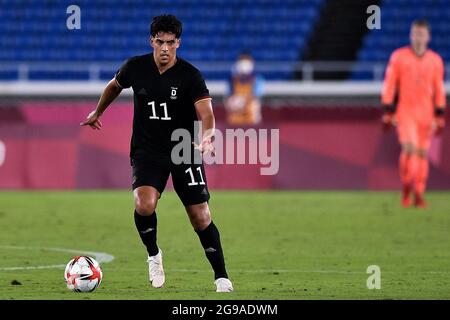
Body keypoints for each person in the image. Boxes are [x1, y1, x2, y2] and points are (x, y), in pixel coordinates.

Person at [80, 14, 233, 292]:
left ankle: (221, 276)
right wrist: (98, 111)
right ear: (151, 41)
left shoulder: (190, 75)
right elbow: (114, 85)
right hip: (147, 150)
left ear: (178, 43)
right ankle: (153, 255)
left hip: (182, 149)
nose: (165, 48)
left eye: (170, 42)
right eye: (160, 42)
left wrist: (209, 134)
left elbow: (206, 112)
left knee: (201, 216)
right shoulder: (135, 67)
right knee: (144, 204)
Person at [382, 19, 446, 208]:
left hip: (426, 113)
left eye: (422, 34)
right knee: (409, 148)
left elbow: (438, 89)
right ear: (411, 35)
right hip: (405, 111)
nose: (418, 38)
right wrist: (387, 108)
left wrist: (439, 113)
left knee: (423, 153)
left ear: (428, 37)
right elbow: (390, 84)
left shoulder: (435, 60)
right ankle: (407, 188)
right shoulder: (399, 57)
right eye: (416, 34)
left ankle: (419, 192)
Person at [225, 53, 263, 125]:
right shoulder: (232, 78)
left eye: (247, 61)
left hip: (250, 106)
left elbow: (257, 95)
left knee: (254, 106)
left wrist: (246, 101)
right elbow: (229, 95)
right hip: (237, 107)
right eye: (242, 61)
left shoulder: (257, 78)